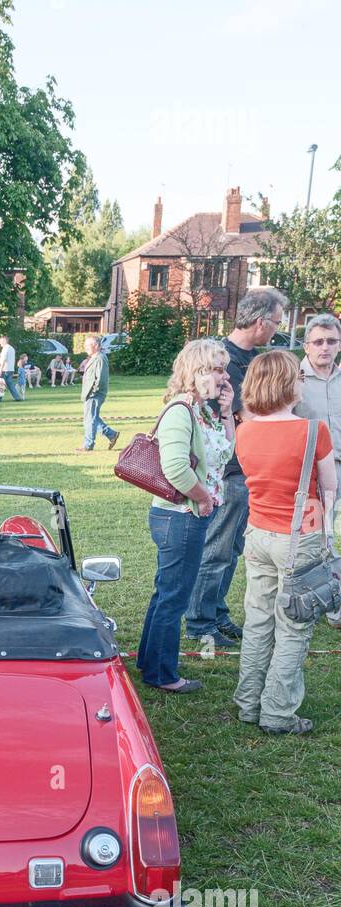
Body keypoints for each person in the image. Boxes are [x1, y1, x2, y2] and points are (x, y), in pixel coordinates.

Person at [234, 351, 336, 734]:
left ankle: (248, 702)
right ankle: (277, 712)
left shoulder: (244, 430)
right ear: (287, 384)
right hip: (299, 537)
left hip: (258, 534)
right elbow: (328, 489)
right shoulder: (313, 431)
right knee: (293, 626)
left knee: (258, 620)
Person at [185, 287, 288, 647]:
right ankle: (200, 623)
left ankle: (216, 612)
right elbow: (245, 415)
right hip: (227, 473)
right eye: (276, 321)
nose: (278, 328)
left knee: (231, 550)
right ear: (260, 321)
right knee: (216, 549)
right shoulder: (221, 359)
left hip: (250, 468)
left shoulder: (256, 358)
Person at [136, 339, 235, 693]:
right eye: (218, 369)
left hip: (188, 514)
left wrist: (227, 413)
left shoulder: (204, 410)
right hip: (179, 516)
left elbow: (224, 454)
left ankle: (150, 663)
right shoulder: (181, 410)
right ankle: (162, 674)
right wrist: (203, 499)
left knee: (167, 592)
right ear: (198, 372)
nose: (225, 376)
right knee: (174, 595)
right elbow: (175, 466)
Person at [294, 313, 341, 519]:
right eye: (318, 342)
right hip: (305, 471)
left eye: (331, 341)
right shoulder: (292, 379)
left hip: (338, 466)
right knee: (306, 532)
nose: (325, 347)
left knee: (330, 529)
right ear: (306, 346)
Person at [77, 336, 119, 451]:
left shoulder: (100, 358)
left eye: (87, 346)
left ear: (95, 345)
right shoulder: (95, 357)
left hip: (95, 393)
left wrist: (94, 391)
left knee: (90, 419)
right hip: (89, 393)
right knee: (91, 417)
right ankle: (111, 434)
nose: (85, 348)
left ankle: (88, 444)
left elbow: (101, 378)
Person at [0, 335, 22, 400]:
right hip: (11, 369)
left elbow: (3, 360)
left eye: (1, 341)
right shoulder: (11, 348)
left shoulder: (5, 349)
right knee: (10, 384)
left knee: (0, 383)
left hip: (5, 369)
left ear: (4, 341)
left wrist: (0, 370)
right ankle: (17, 397)